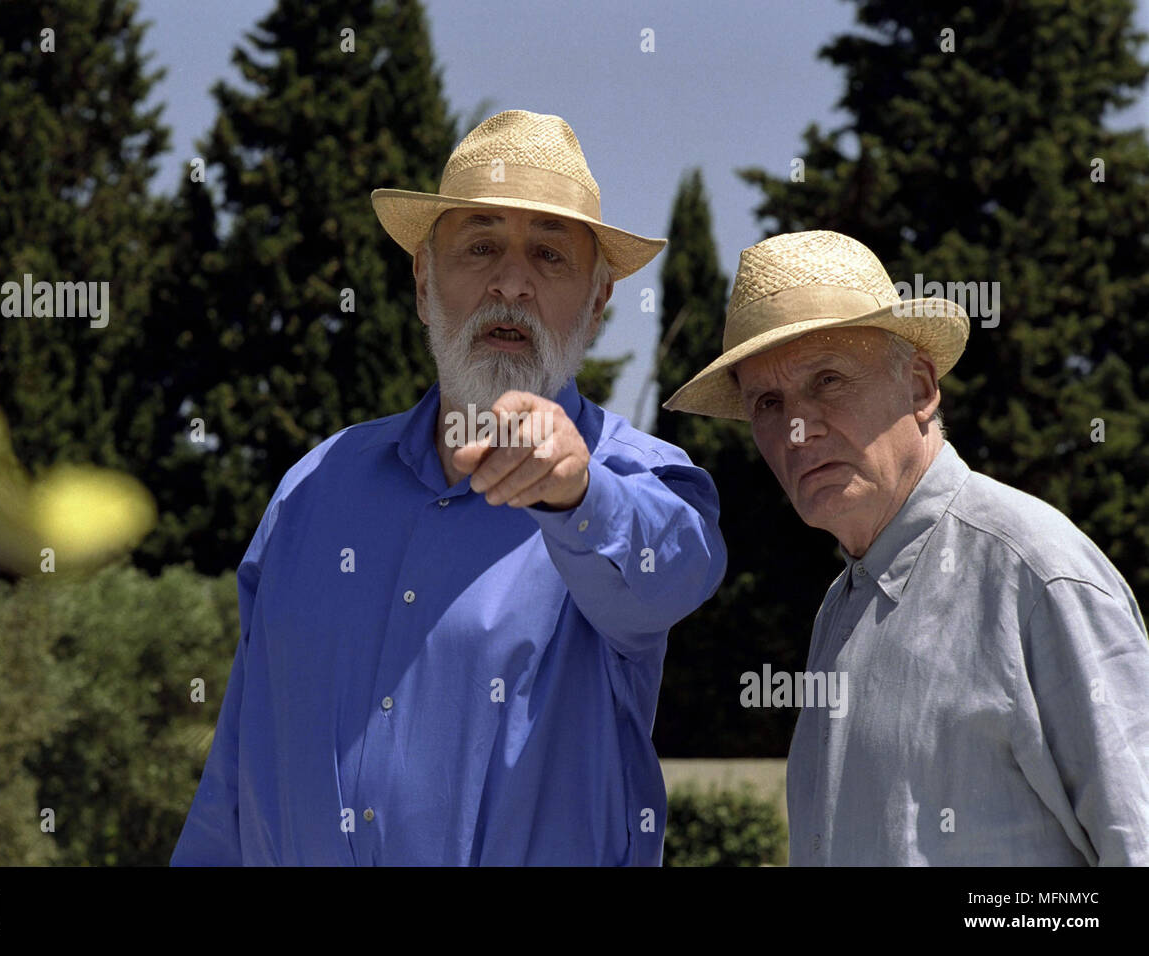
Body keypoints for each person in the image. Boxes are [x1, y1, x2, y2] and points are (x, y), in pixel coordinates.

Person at [171, 110, 727, 866]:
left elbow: (680, 569)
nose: (511, 283)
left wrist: (578, 493)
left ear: (597, 304)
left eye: (549, 257)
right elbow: (237, 769)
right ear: (426, 281)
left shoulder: (632, 472)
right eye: (480, 246)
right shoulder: (313, 488)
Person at [664, 229, 1149, 865]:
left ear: (921, 387)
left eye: (828, 380)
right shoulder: (841, 607)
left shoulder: (1035, 576)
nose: (795, 429)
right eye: (768, 402)